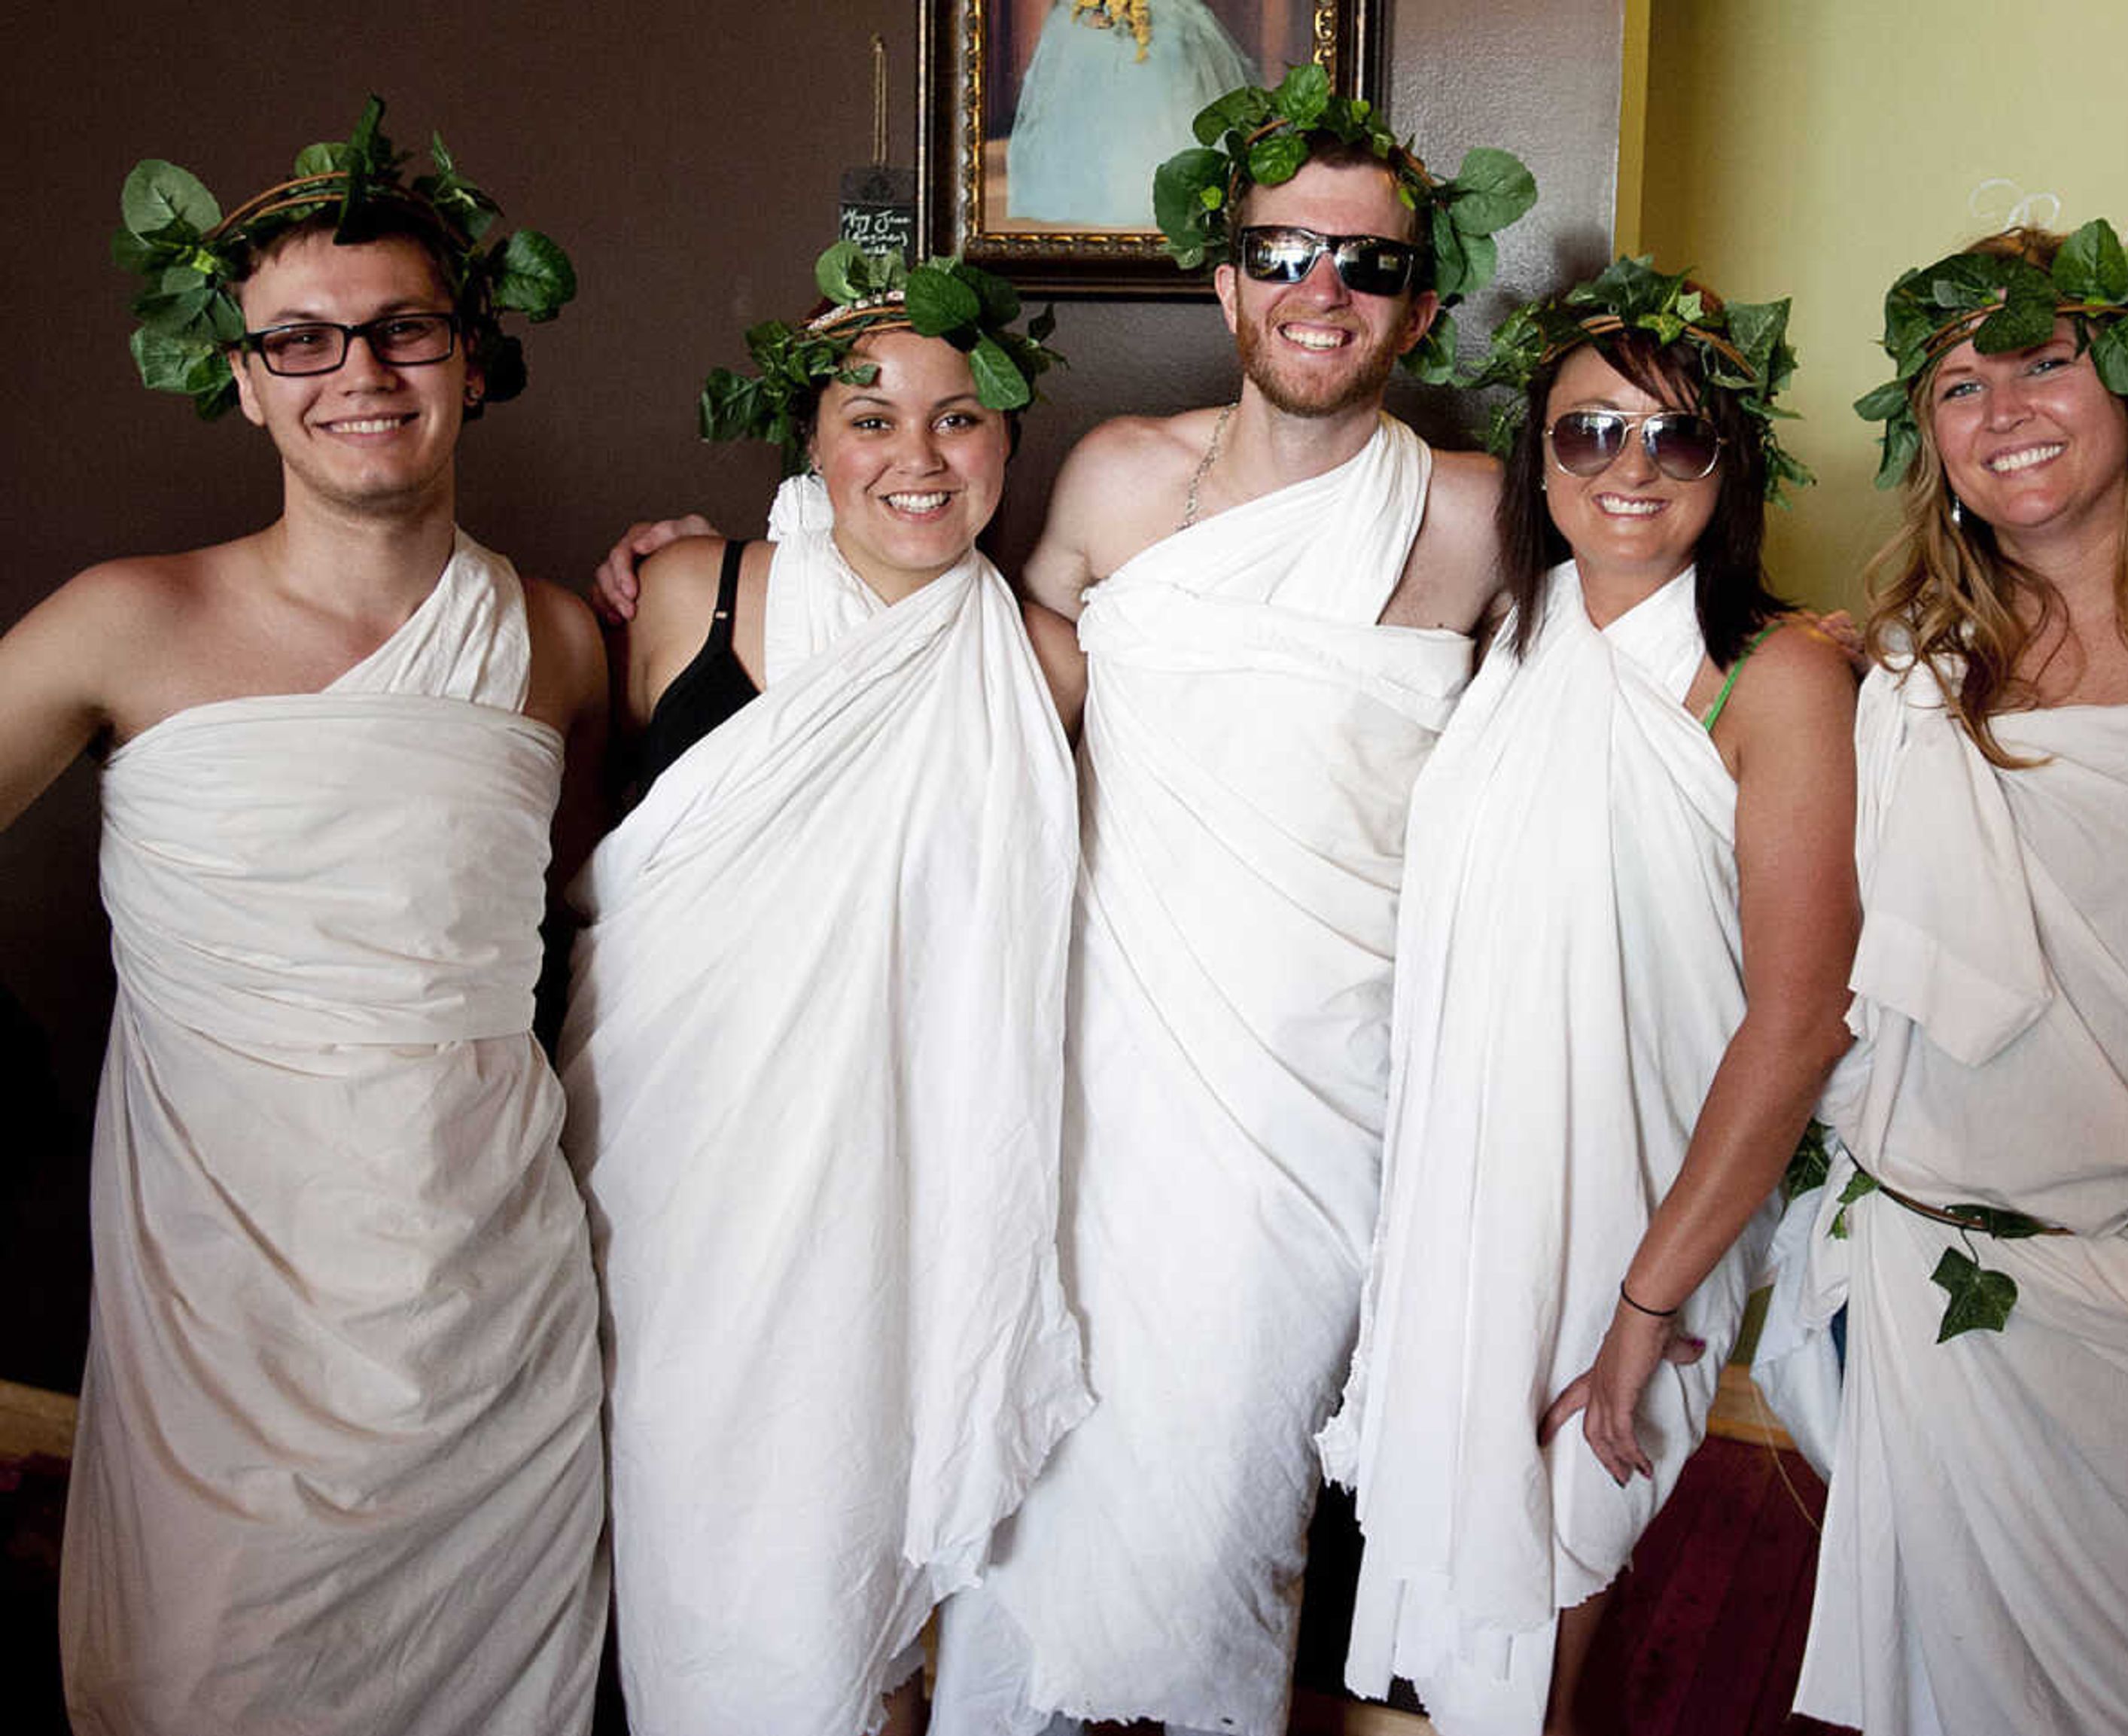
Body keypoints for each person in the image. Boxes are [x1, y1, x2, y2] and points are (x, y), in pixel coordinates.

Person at [920, 81, 1536, 1736]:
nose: (1321, 290)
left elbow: (1635, 677)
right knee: (1038, 1448)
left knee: (1224, 1486)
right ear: (1225, 279)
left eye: (1367, 263)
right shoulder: (1123, 477)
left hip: (1323, 1092)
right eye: (1284, 252)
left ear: (1416, 300)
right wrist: (750, 583)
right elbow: (993, 672)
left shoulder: (1479, 515)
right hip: (1103, 1065)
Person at [0, 101, 610, 1733]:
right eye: (302, 340)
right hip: (229, 1308)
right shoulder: (128, 621)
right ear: (244, 376)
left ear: (472, 354)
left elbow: (615, 903)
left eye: (404, 327)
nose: (360, 372)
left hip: (491, 1301)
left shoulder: (555, 642)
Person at [1747, 221, 2128, 1736]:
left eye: (2044, 360)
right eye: (1957, 383)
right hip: (1948, 1295)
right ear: (1925, 436)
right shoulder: (1912, 665)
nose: (2002, 408)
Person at [1316, 259, 1856, 1734]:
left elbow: (1801, 1021)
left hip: (1640, 1214)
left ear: (1732, 460)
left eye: (1677, 435)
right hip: (1464, 1204)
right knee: (1489, 1607)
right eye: (1588, 431)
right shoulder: (1513, 633)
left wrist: (1645, 1302)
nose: (1630, 468)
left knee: (1560, 1555)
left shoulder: (1775, 674)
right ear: (1534, 451)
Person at [559, 244, 1083, 1736]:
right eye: (870, 416)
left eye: (960, 415)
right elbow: (587, 867)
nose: (916, 455)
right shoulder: (683, 593)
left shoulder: (1049, 669)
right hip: (664, 1171)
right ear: (808, 434)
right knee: (653, 1533)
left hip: (886, 1197)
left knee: (833, 1551)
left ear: (1009, 437)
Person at [1003, 0, 1254, 227]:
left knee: (1162, 60)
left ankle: (1162, 182)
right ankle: (1102, 183)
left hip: (1156, 12)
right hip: (1099, 13)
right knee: (1093, 58)